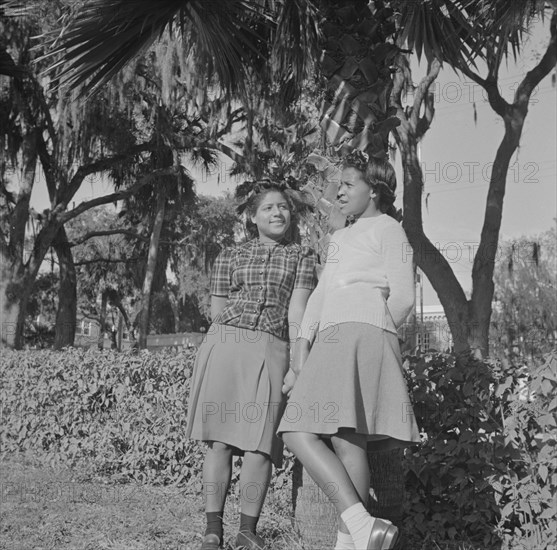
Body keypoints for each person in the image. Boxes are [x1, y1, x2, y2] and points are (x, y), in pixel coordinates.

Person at [278, 151, 420, 550]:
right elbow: (321, 296)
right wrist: (302, 345)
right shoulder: (339, 238)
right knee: (339, 438)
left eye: (348, 184)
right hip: (332, 338)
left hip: (364, 335)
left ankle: (355, 532)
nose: (338, 192)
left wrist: (371, 326)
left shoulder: (389, 229)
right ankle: (361, 532)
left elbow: (404, 298)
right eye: (338, 185)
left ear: (373, 190)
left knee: (305, 430)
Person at [185, 180, 317, 550]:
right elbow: (216, 309)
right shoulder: (229, 255)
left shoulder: (302, 256)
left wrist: (295, 360)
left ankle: (247, 531)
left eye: (283, 207)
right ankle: (213, 529)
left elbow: (298, 309)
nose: (278, 213)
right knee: (220, 444)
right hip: (226, 346)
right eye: (268, 208)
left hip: (272, 349)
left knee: (261, 446)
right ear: (253, 217)